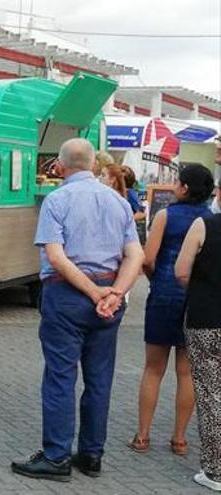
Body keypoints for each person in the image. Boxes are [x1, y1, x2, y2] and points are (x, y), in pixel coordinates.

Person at [11, 138, 143, 481]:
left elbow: (56, 255)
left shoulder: (57, 200)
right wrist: (115, 292)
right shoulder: (119, 202)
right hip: (109, 297)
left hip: (67, 296)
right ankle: (91, 454)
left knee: (60, 376)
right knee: (99, 379)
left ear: (60, 165)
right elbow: (135, 256)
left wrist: (91, 290)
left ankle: (56, 456)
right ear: (94, 166)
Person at [129, 164, 214, 456]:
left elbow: (148, 258)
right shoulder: (211, 220)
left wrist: (156, 279)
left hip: (164, 296)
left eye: (177, 181)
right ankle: (179, 439)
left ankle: (142, 436)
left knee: (153, 369)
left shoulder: (165, 216)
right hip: (196, 301)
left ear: (185, 187)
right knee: (187, 373)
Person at [175, 197, 221, 492]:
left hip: (207, 317)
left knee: (211, 394)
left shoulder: (204, 224)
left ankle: (215, 470)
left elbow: (181, 270)